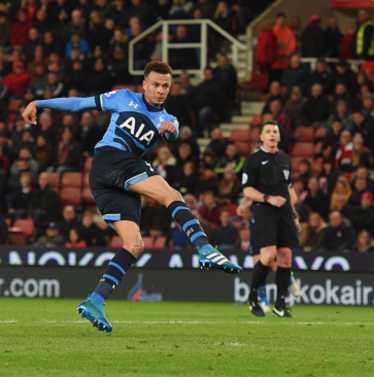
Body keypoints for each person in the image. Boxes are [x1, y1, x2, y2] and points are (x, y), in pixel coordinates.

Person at [21, 61, 241, 333]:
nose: (161, 91)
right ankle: (205, 247)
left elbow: (172, 131)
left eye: (165, 86)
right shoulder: (124, 97)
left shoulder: (168, 118)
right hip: (110, 160)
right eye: (156, 85)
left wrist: (171, 131)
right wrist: (39, 103)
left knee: (135, 244)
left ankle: (95, 300)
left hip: (112, 181)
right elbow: (79, 104)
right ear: (145, 85)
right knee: (170, 194)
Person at [242, 121, 301, 318]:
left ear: (279, 136)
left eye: (275, 132)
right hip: (264, 211)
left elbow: (287, 189)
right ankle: (253, 298)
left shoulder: (285, 159)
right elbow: (247, 190)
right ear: (262, 137)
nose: (272, 135)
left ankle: (280, 305)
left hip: (284, 212)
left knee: (285, 257)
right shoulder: (253, 160)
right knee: (267, 256)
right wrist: (268, 198)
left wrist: (294, 216)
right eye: (268, 132)